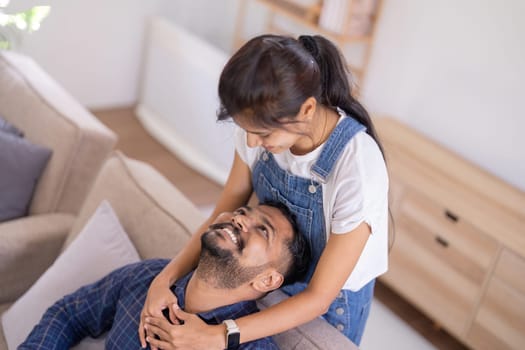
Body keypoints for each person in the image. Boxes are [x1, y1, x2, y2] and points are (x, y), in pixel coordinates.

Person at [139, 34, 389, 349]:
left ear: (307, 108)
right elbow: (219, 216)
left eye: (263, 133)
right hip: (267, 279)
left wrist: (218, 336)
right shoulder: (258, 129)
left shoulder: (357, 165)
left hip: (327, 302)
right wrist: (163, 280)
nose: (253, 142)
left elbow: (318, 298)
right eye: (246, 130)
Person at [20, 202, 310, 349]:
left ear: (267, 280)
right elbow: (69, 314)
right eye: (243, 211)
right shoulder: (148, 277)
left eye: (263, 230)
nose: (240, 219)